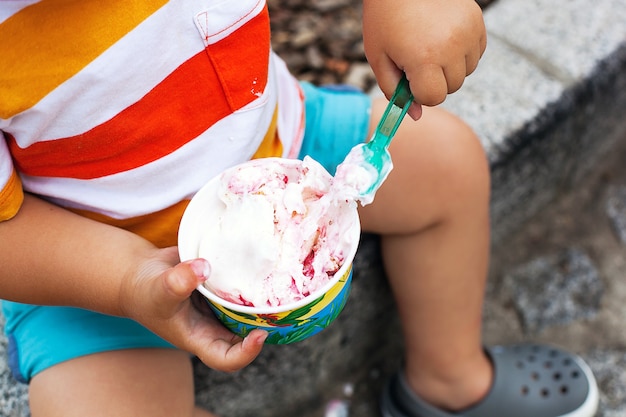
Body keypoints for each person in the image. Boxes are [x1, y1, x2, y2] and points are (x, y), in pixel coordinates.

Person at [0, 0, 598, 416]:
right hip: (89, 267)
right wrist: (126, 279)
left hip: (284, 145)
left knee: (451, 168)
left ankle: (446, 380)